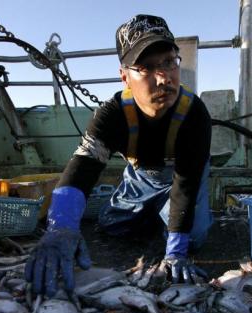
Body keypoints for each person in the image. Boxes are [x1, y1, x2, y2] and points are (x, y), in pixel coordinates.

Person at [25, 14, 213, 296]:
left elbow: (185, 185)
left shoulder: (194, 113)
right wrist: (61, 226)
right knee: (112, 225)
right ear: (125, 75)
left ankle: (165, 220)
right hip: (140, 178)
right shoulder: (112, 114)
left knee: (193, 238)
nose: (163, 78)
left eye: (168, 62)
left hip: (183, 178)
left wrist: (175, 252)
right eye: (147, 67)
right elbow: (83, 165)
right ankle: (151, 213)